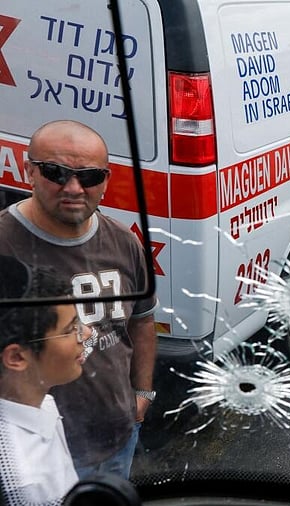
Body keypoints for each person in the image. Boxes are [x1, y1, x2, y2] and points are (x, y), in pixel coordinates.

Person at [0, 120, 158, 479]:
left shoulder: (123, 241)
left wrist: (143, 393)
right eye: (55, 172)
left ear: (106, 180)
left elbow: (143, 320)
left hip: (119, 436)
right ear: (29, 171)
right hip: (34, 458)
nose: (73, 188)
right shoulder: (4, 245)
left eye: (88, 177)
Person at [0, 257, 84, 505]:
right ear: (16, 357)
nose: (86, 334)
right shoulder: (26, 483)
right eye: (71, 329)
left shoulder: (39, 401)